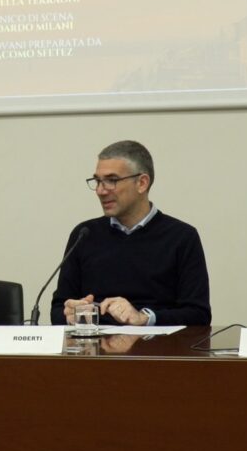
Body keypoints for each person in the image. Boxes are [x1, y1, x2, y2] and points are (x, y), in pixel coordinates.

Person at [51, 140, 211, 326]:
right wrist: (71, 314)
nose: (100, 191)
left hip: (156, 351)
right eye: (97, 181)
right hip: (95, 350)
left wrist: (143, 318)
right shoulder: (84, 234)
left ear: (142, 183)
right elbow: (57, 310)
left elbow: (199, 315)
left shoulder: (182, 237)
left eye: (111, 180)